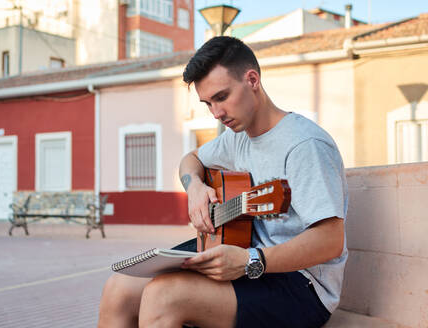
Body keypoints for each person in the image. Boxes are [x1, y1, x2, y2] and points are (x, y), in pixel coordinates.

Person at [98, 36, 348, 328]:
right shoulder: (236, 138)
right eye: (208, 104)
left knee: (164, 296)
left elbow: (331, 240)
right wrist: (194, 188)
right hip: (243, 257)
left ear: (252, 79)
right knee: (120, 287)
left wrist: (251, 260)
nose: (216, 113)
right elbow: (191, 159)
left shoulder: (304, 145)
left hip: (301, 287)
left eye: (221, 97)